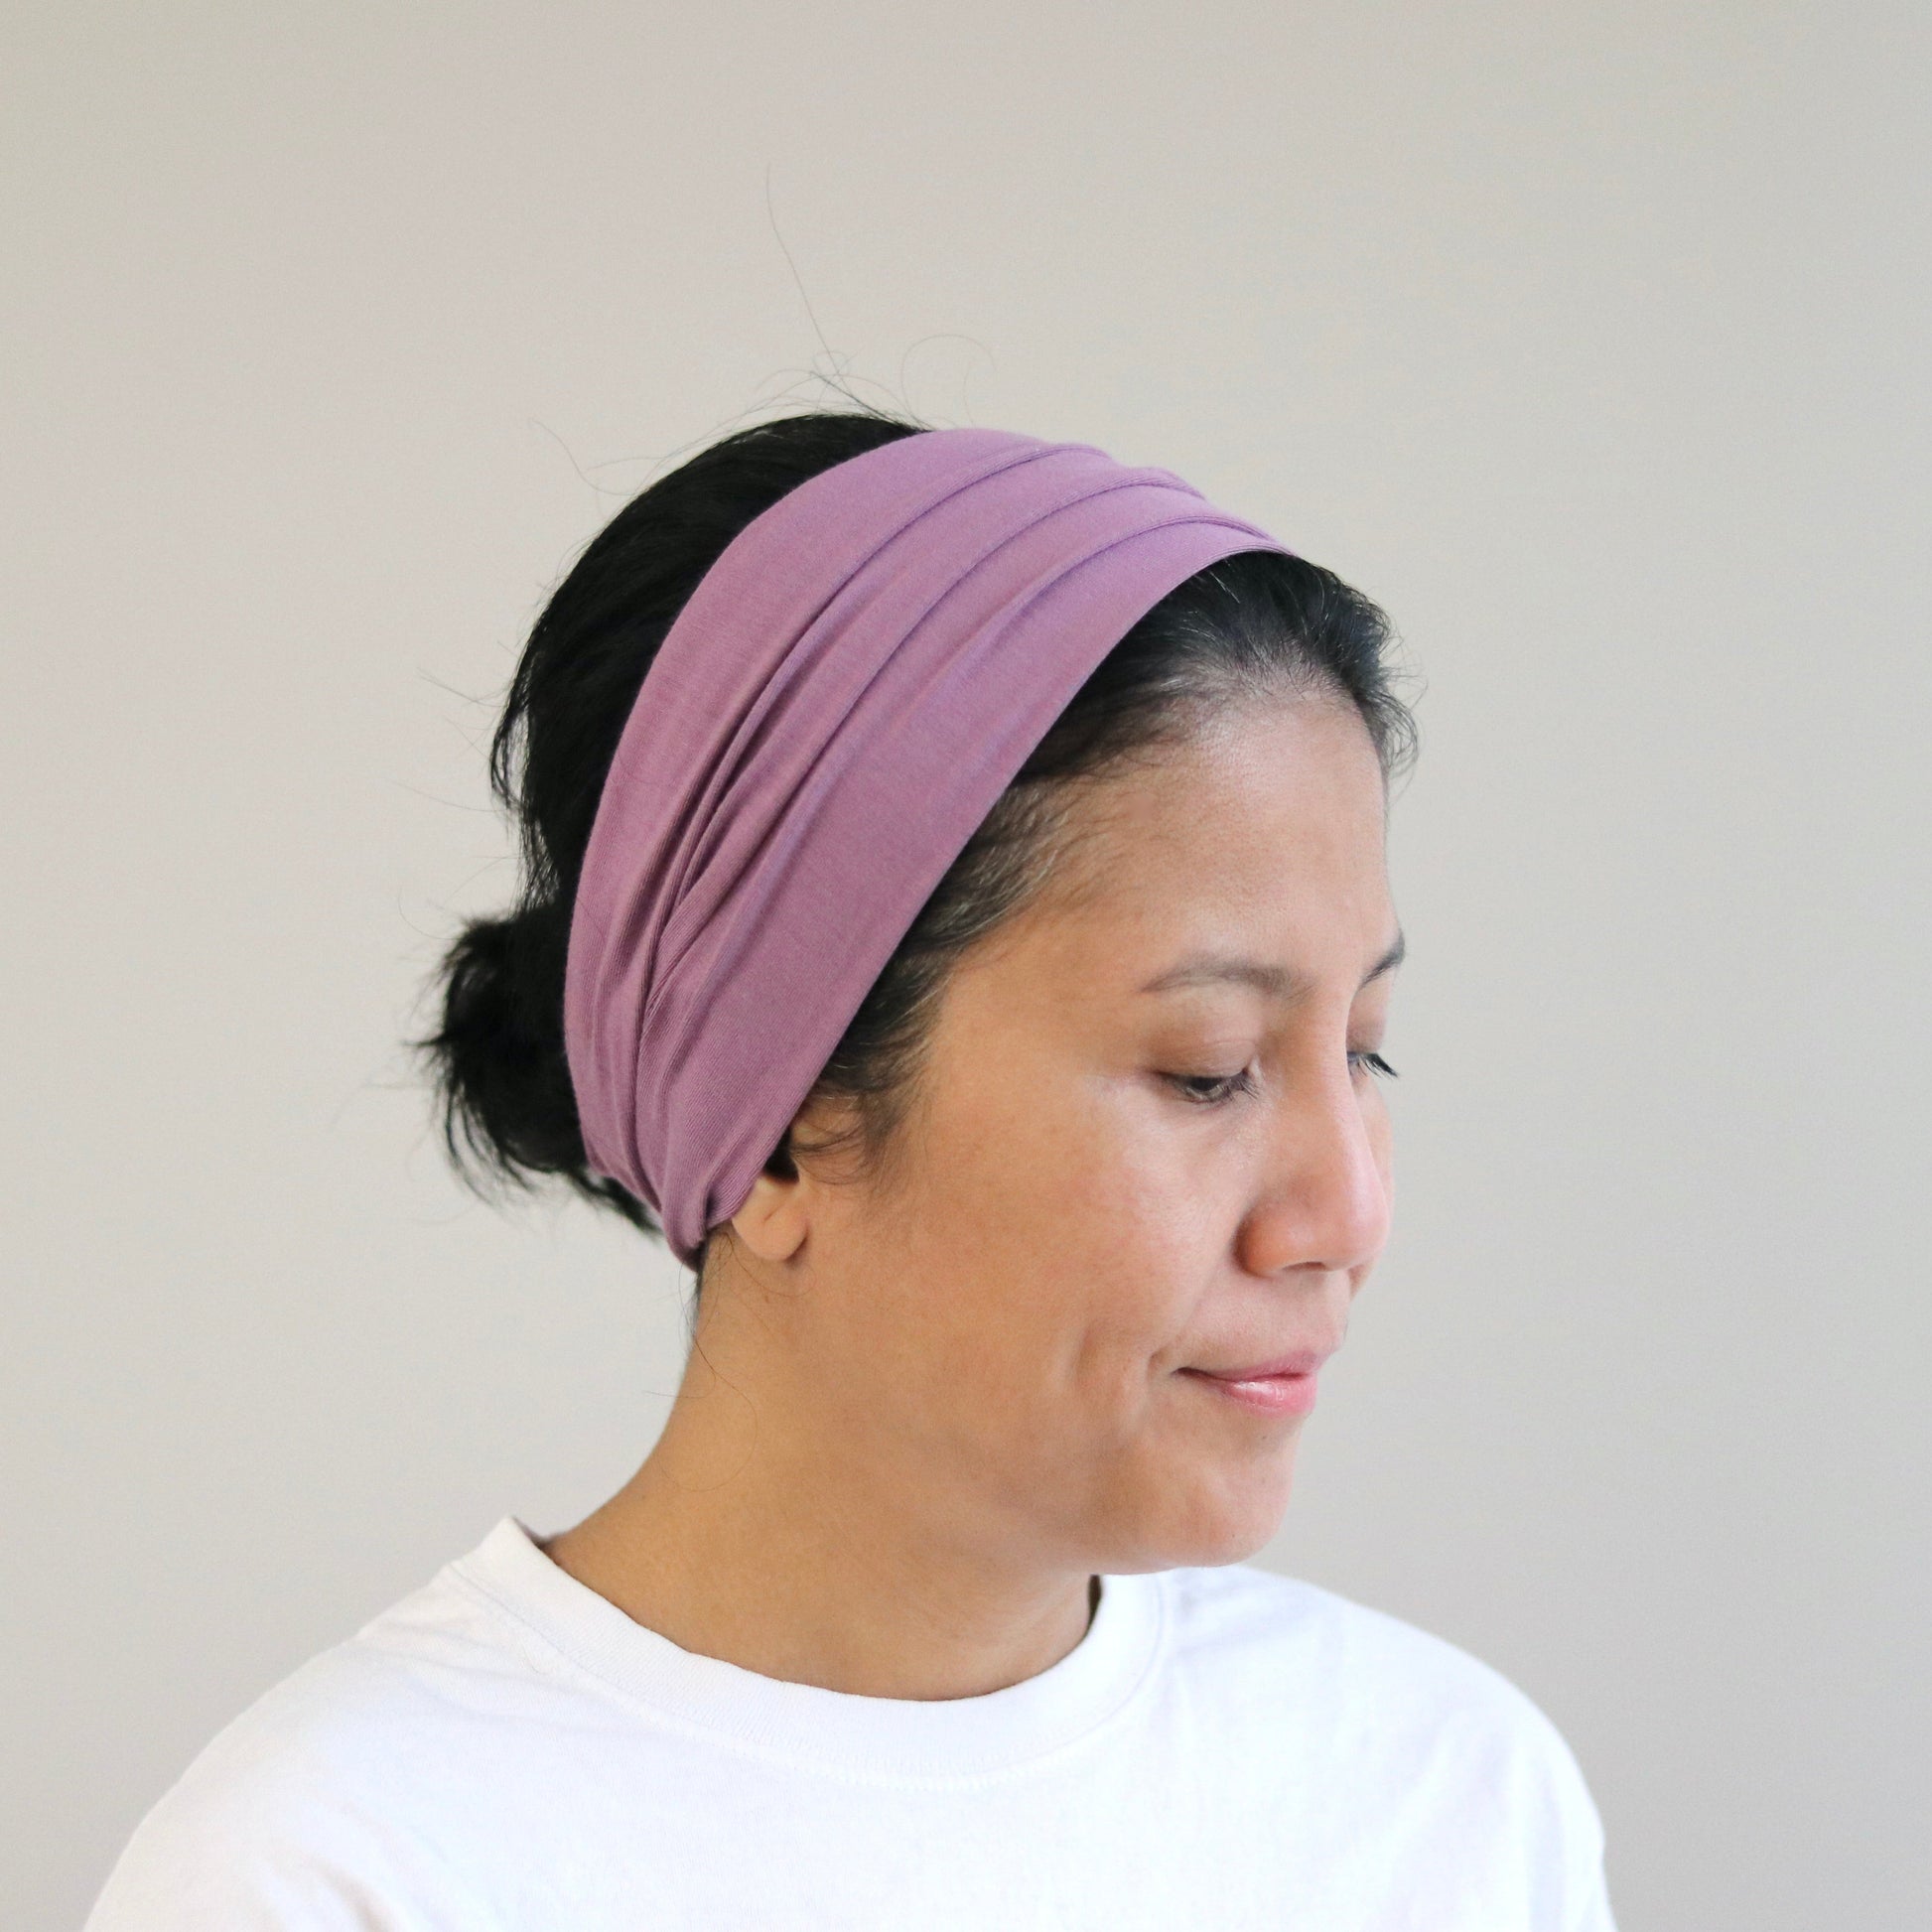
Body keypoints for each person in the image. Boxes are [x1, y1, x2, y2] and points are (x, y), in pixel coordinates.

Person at [85, 409, 1618, 1929]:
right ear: (777, 1125)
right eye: (1205, 1068)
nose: (1342, 1215)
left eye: (1365, 1048)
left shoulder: (1446, 1803)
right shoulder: (339, 1875)